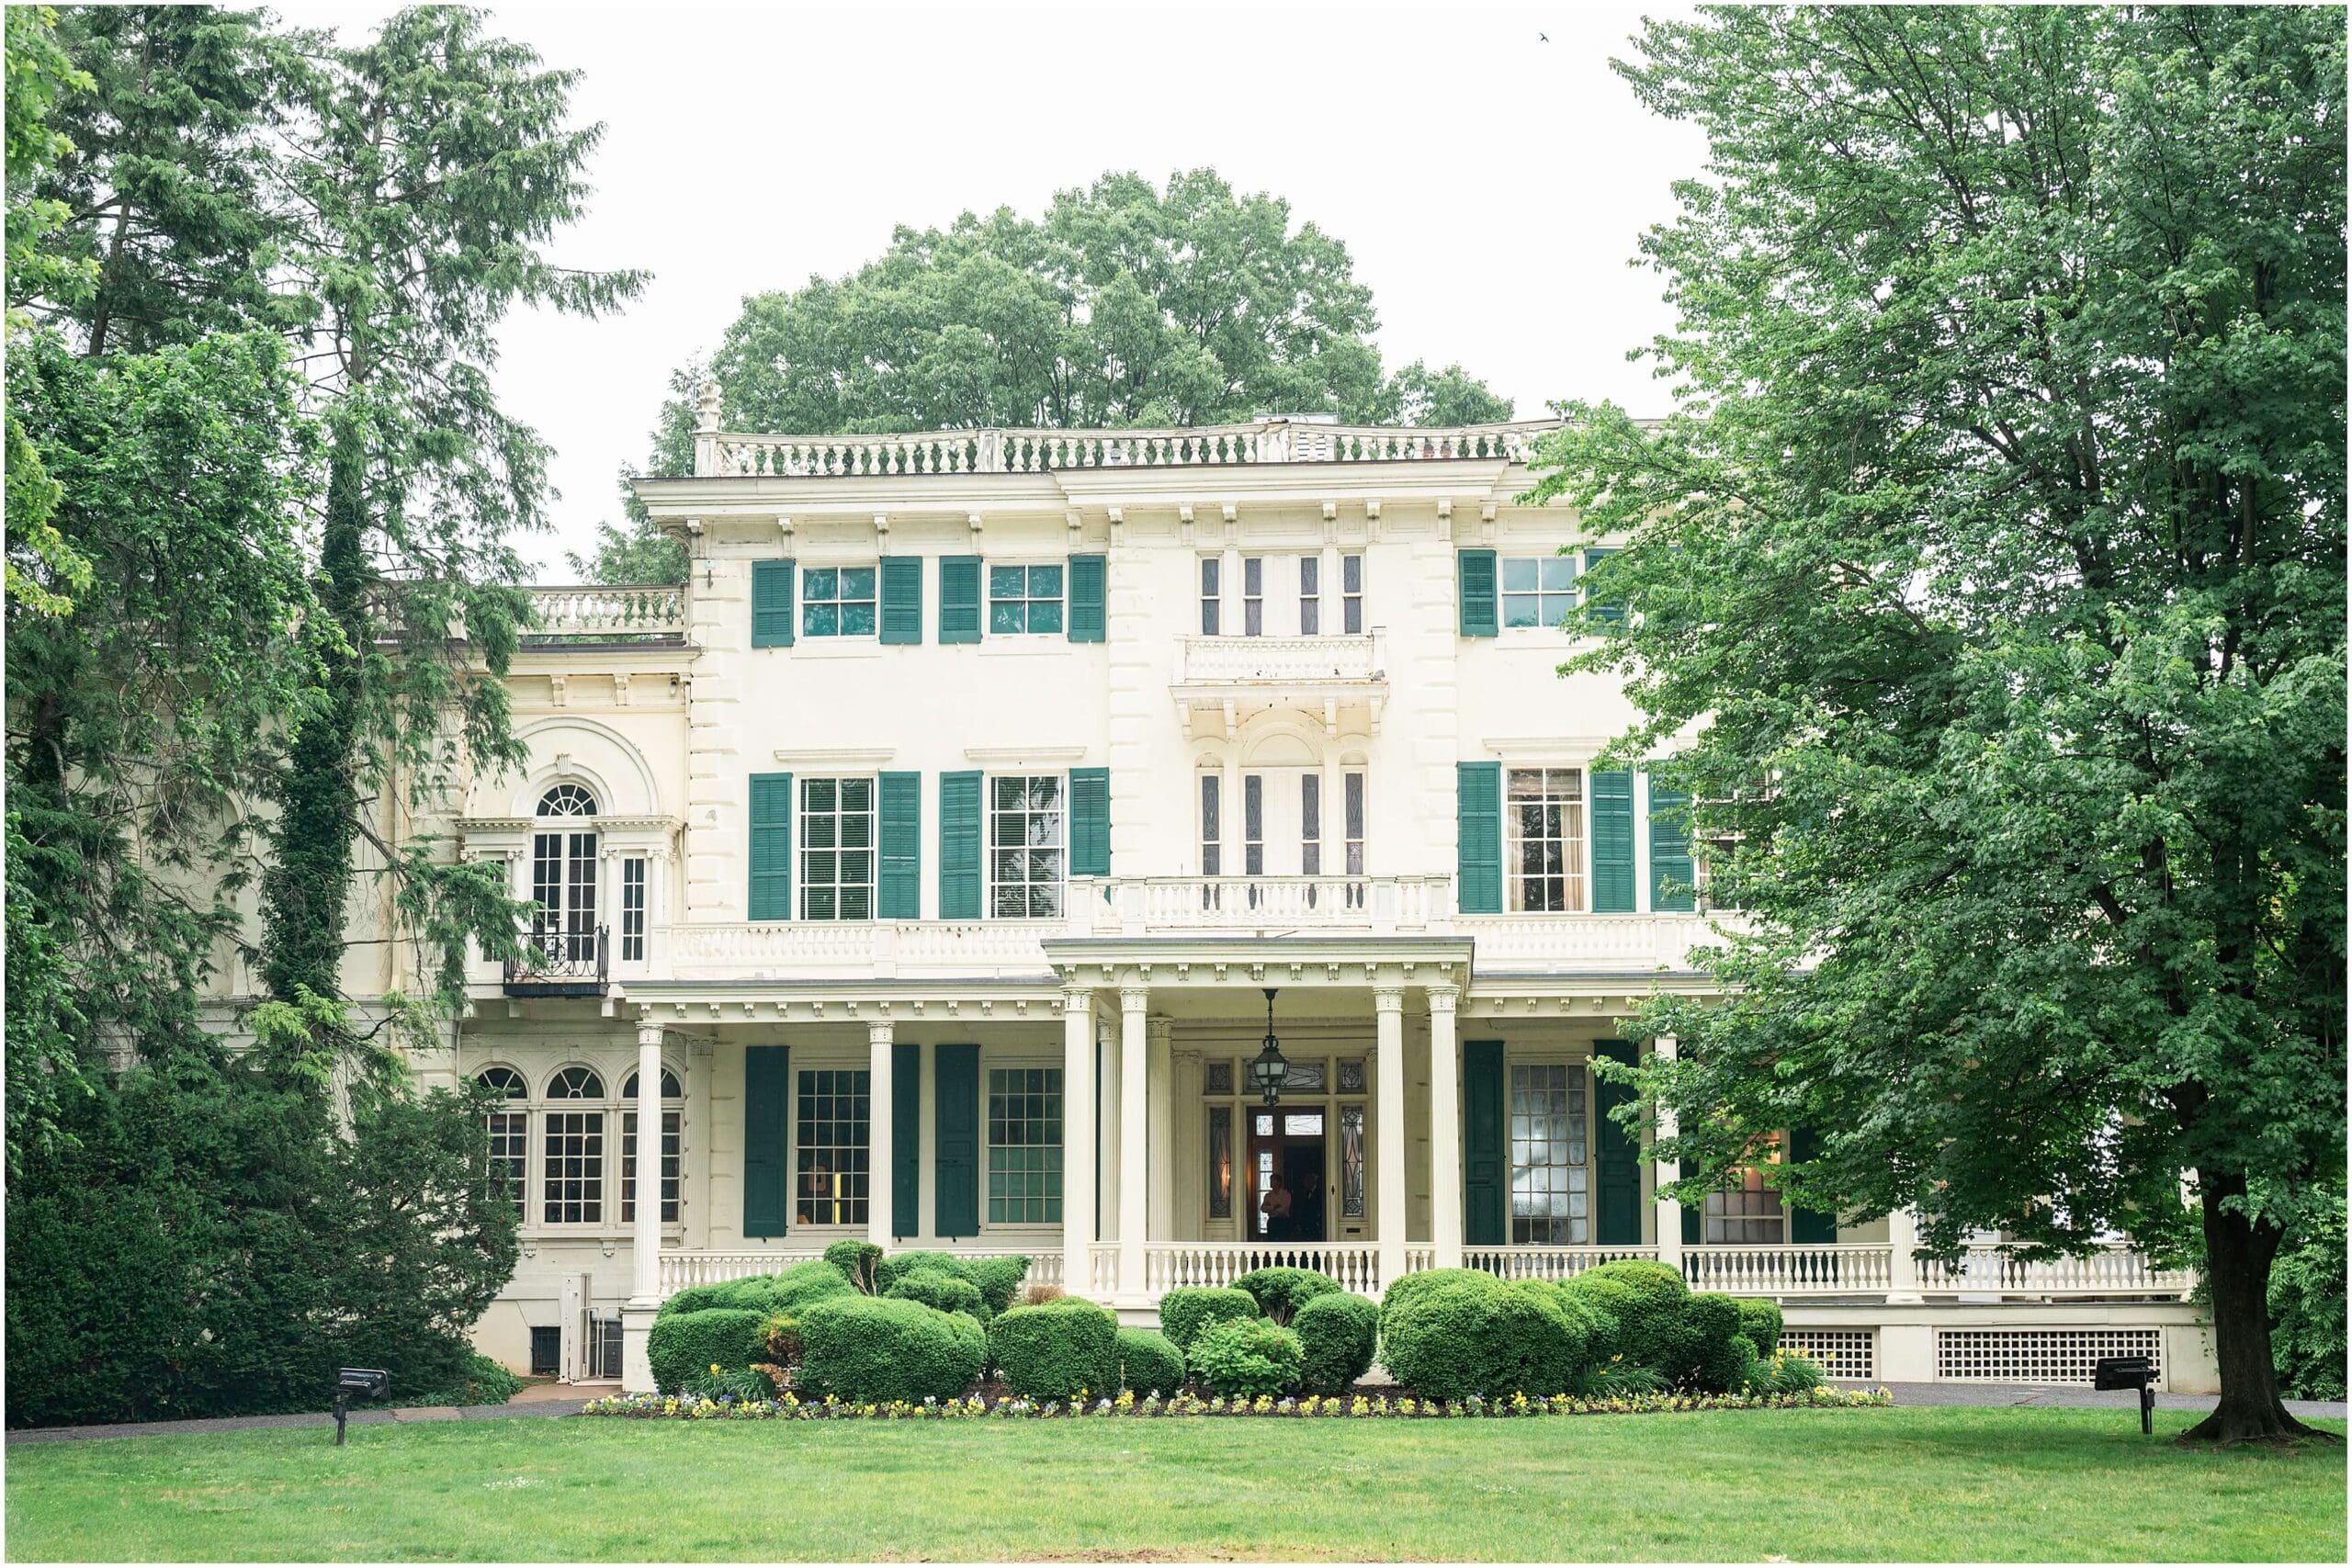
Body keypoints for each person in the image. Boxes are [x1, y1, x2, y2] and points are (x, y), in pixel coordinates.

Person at [1259, 1172, 1293, 1242]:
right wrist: (1274, 1207)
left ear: (1278, 1182)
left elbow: (1284, 1209)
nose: (1270, 1182)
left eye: (1272, 1180)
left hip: (1283, 1222)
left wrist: (1270, 1208)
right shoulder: (1268, 1195)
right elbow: (1263, 1208)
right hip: (1272, 1222)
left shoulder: (1286, 1194)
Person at [1295, 1168, 1326, 1242]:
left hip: (1315, 1226)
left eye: (1307, 1180)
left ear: (1312, 1181)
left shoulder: (1320, 1194)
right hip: (1304, 1226)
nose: (1304, 1182)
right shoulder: (1302, 1193)